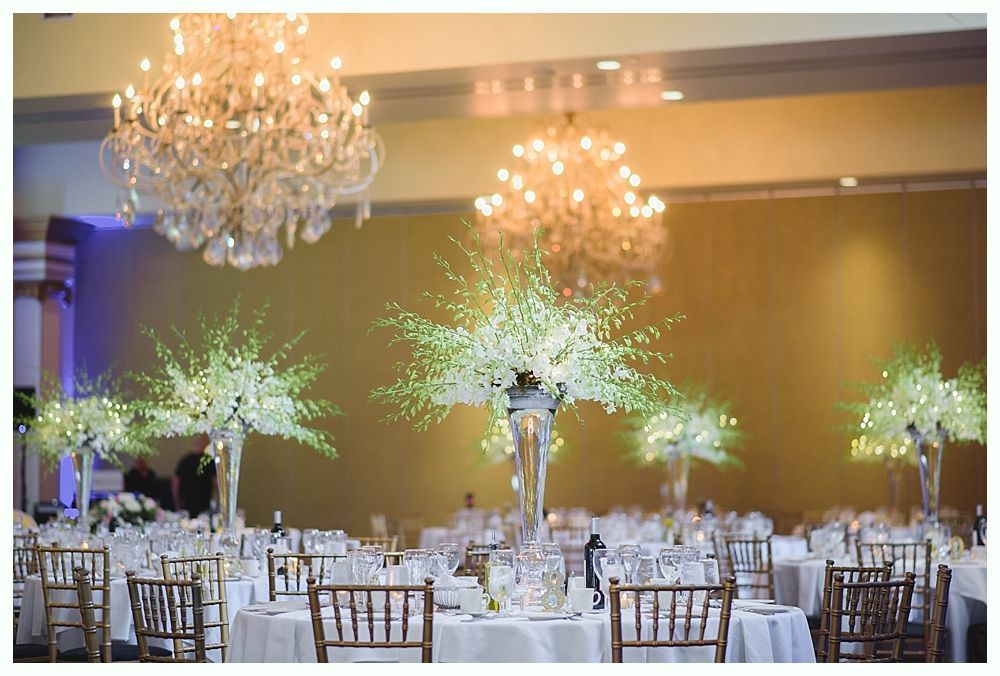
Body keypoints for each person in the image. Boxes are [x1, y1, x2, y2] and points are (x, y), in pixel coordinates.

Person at [172, 434, 216, 518]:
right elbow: (175, 483)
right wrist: (176, 504)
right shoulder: (185, 461)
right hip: (187, 504)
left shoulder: (210, 461)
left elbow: (215, 483)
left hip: (204, 504)